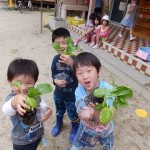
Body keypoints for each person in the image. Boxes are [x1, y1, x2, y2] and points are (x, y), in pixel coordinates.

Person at [2, 58, 53, 150]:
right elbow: (6, 110)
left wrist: (47, 110)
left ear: (35, 82)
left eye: (29, 83)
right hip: (21, 141)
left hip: (37, 133)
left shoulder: (35, 94)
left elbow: (41, 105)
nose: (24, 87)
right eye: (19, 83)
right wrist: (14, 102)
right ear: (10, 82)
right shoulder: (12, 98)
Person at [69, 52, 114, 150]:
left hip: (104, 129)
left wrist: (95, 110)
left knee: (107, 147)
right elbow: (80, 112)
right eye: (79, 73)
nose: (85, 76)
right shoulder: (79, 91)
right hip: (86, 127)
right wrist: (82, 114)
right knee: (77, 145)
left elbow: (104, 120)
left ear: (98, 71)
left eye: (89, 71)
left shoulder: (109, 90)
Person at [51, 27, 79, 144]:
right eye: (57, 43)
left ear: (70, 43)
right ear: (53, 45)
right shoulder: (55, 59)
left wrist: (72, 63)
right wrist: (55, 81)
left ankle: (74, 129)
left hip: (72, 95)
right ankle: (59, 123)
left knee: (72, 113)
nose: (61, 46)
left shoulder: (75, 59)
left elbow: (81, 75)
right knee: (59, 110)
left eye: (64, 43)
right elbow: (53, 75)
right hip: (58, 93)